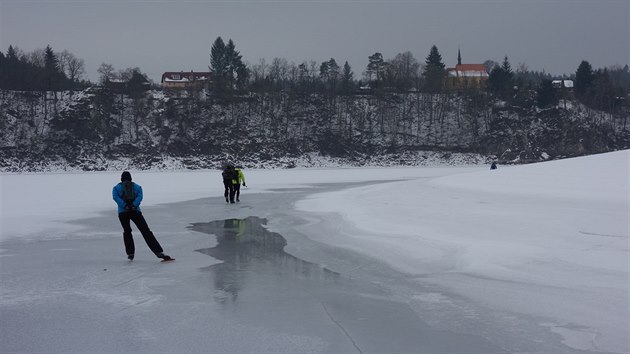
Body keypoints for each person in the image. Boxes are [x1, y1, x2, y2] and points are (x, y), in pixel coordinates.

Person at [112, 171, 172, 261]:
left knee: (127, 232)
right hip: (135, 211)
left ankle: (130, 253)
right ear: (131, 178)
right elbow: (140, 197)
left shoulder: (116, 188)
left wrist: (125, 206)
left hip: (122, 213)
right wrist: (133, 205)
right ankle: (158, 252)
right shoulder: (137, 187)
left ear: (121, 179)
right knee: (146, 231)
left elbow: (115, 198)